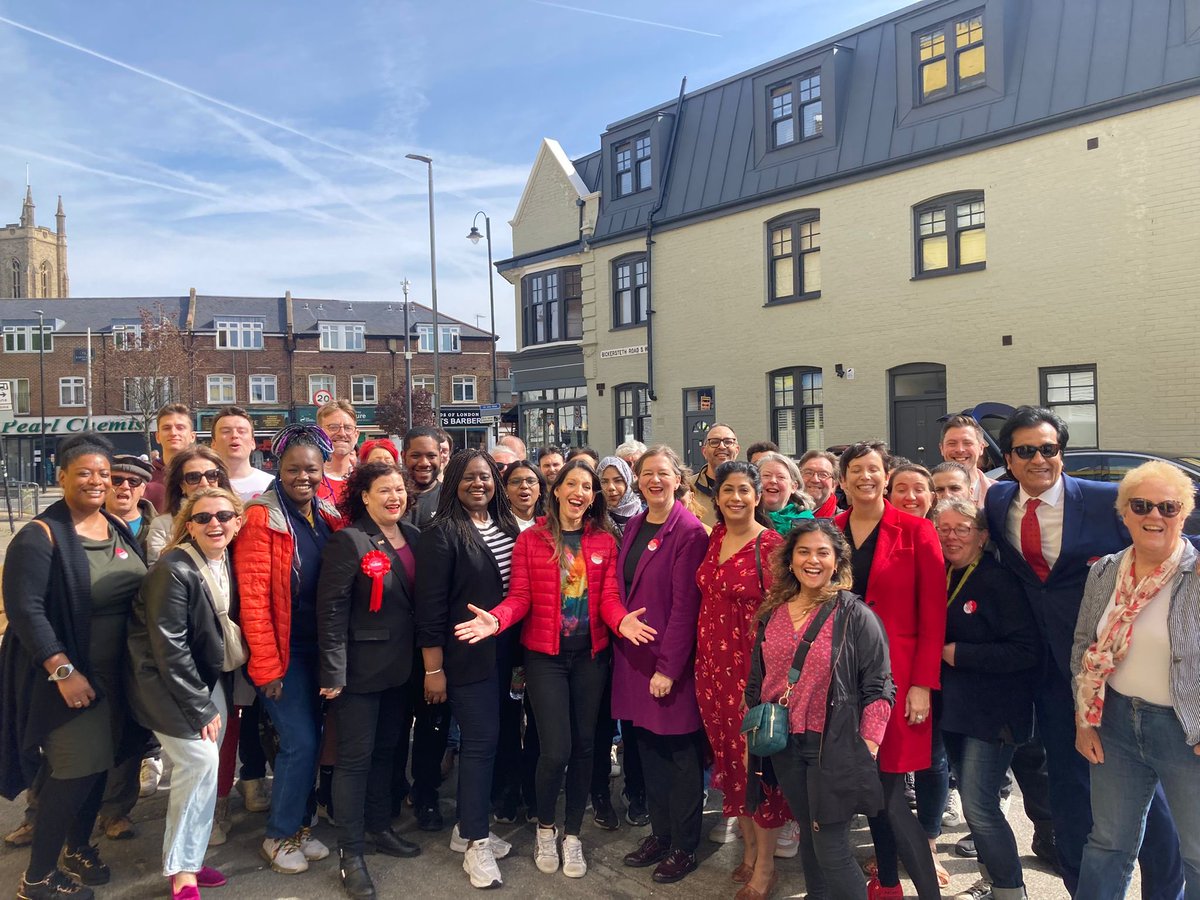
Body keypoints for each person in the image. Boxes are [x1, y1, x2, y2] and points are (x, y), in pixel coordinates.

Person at [985, 406, 1184, 898]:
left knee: (1148, 796)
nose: (1039, 460)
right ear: (1008, 459)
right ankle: (1081, 887)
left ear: (1062, 454)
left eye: (1049, 449)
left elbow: (1168, 538)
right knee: (1070, 788)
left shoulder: (1106, 502)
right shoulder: (998, 504)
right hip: (1054, 674)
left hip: (1119, 667)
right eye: (1026, 451)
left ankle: (1165, 889)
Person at [456, 460, 650, 879]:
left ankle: (573, 835)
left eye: (588, 487)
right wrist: (497, 619)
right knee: (555, 749)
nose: (580, 492)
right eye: (573, 484)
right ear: (557, 489)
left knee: (584, 746)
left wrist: (622, 621)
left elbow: (610, 599)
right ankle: (547, 828)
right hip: (544, 657)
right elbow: (521, 597)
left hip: (590, 658)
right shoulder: (533, 539)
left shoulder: (604, 540)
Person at [0, 432, 148, 900]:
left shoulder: (114, 527)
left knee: (100, 765)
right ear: (61, 476)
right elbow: (25, 610)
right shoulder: (40, 536)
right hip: (67, 680)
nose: (97, 481)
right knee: (74, 771)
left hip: (116, 676)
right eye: (84, 472)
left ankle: (77, 849)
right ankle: (37, 880)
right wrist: (63, 671)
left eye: (103, 474)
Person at [746, 519, 895, 900]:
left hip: (835, 745)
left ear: (837, 561)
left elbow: (879, 685)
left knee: (830, 844)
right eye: (804, 551)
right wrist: (751, 728)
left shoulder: (855, 615)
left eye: (822, 552)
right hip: (785, 745)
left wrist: (869, 743)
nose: (813, 560)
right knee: (810, 837)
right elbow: (758, 679)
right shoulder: (773, 612)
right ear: (790, 560)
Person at [1072, 462, 1200, 900]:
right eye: (1142, 505)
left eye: (1169, 507)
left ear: (1185, 514)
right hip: (1114, 724)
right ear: (1124, 512)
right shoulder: (1105, 570)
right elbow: (1084, 643)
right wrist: (1083, 720)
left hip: (1186, 732)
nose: (1155, 516)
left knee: (1198, 854)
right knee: (1108, 844)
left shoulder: (1196, 574)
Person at [835, 441, 945, 900]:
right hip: (840, 679)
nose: (865, 477)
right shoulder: (829, 529)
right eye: (855, 470)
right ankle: (887, 883)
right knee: (864, 786)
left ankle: (918, 890)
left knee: (890, 790)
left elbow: (933, 614)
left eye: (873, 470)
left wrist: (921, 684)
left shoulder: (916, 531)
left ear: (887, 476)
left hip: (896, 679)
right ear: (842, 481)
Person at [127, 487, 247, 900]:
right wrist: (198, 707)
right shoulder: (173, 569)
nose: (214, 523)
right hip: (165, 684)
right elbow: (168, 647)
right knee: (197, 764)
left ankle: (190, 861)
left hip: (206, 679)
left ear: (237, 520)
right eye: (203, 518)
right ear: (188, 526)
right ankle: (180, 872)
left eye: (223, 515)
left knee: (204, 772)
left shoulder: (226, 561)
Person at [233, 424, 342, 875]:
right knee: (299, 741)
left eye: (312, 470)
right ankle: (277, 835)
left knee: (310, 741)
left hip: (320, 650)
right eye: (293, 469)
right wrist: (266, 667)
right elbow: (254, 600)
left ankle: (299, 827)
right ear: (276, 467)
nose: (303, 477)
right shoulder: (261, 516)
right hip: (283, 652)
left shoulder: (326, 514)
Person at [316, 462, 422, 900]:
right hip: (359, 673)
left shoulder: (413, 537)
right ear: (364, 495)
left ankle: (380, 827)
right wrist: (333, 671)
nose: (394, 497)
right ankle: (351, 853)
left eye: (399, 490)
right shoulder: (350, 541)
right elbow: (332, 610)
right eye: (384, 490)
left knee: (386, 754)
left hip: (401, 670)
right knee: (354, 763)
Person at [415, 450, 520, 889]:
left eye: (487, 477)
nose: (479, 484)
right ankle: (476, 842)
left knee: (492, 742)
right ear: (453, 481)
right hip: (463, 659)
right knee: (479, 745)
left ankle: (465, 828)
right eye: (469, 477)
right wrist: (433, 669)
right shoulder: (441, 533)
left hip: (503, 655)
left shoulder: (506, 526)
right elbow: (430, 609)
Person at [613, 445, 710, 885]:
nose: (655, 480)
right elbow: (619, 587)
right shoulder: (634, 525)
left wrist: (669, 669)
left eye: (663, 473)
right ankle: (661, 832)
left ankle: (685, 845)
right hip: (634, 662)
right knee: (647, 753)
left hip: (669, 667)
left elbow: (686, 609)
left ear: (678, 479)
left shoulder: (689, 532)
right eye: (647, 473)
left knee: (680, 759)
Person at [934, 499, 1039, 900]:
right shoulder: (943, 573)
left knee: (979, 807)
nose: (952, 536)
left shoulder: (998, 580)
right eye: (944, 528)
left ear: (982, 536)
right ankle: (992, 882)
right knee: (974, 805)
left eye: (962, 528)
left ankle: (1012, 891)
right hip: (957, 711)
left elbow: (1026, 650)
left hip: (994, 713)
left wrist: (959, 653)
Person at [695, 461, 789, 898]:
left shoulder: (770, 545)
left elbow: (784, 616)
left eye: (743, 491)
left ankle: (765, 866)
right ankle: (749, 850)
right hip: (711, 669)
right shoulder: (714, 538)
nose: (735, 498)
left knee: (757, 766)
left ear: (757, 496)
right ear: (717, 496)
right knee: (732, 764)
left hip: (751, 674)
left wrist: (771, 680)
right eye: (727, 490)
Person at [145, 447, 232, 565]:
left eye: (211, 475)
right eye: (193, 477)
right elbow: (158, 574)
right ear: (181, 485)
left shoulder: (234, 519)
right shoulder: (162, 526)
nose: (204, 483)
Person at [210, 406, 274, 501]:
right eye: (226, 431)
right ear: (213, 444)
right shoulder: (204, 484)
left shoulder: (272, 485)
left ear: (253, 443)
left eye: (241, 431)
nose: (234, 435)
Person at [145, 404, 195, 511]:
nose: (173, 433)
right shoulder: (145, 478)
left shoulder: (206, 476)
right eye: (167, 428)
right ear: (157, 437)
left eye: (180, 428)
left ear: (192, 436)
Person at [691, 424, 740, 526]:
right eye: (714, 442)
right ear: (704, 451)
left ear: (737, 450)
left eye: (728, 442)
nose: (722, 446)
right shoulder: (687, 487)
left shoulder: (749, 488)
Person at [106, 455, 156, 554]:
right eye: (116, 480)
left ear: (143, 489)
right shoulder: (83, 523)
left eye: (133, 481)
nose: (125, 486)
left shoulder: (159, 527)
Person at [940, 415, 994, 506]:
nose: (960, 449)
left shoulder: (1001, 495)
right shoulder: (926, 494)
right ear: (941, 449)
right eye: (952, 443)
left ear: (981, 448)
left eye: (967, 443)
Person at [756, 451, 814, 536]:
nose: (773, 480)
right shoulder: (744, 518)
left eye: (781, 477)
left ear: (794, 487)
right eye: (766, 475)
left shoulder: (806, 523)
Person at [316, 400, 360, 509]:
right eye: (333, 427)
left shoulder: (366, 479)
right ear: (319, 433)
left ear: (356, 435)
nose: (342, 433)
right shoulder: (308, 480)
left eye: (348, 428)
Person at [402, 427, 443, 530]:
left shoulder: (452, 498)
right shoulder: (392, 498)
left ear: (441, 456)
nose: (424, 463)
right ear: (403, 456)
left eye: (431, 456)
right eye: (415, 456)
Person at [599, 455, 643, 532]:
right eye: (604, 482)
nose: (611, 487)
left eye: (618, 481)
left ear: (628, 482)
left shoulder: (646, 516)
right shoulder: (595, 520)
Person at [798, 450, 841, 519]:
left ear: (834, 485)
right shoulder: (782, 517)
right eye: (808, 473)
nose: (815, 480)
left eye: (823, 474)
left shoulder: (844, 522)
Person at [504, 460, 545, 530]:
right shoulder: (497, 526)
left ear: (540, 489)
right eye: (516, 482)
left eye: (531, 481)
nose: (524, 486)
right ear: (505, 490)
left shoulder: (552, 523)